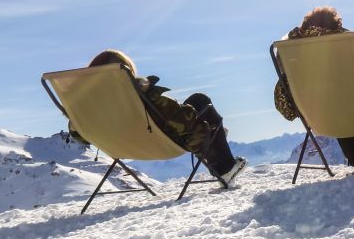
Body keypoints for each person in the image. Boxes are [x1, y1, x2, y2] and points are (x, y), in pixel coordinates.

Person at [73, 49, 247, 187]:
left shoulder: (88, 109)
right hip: (159, 144)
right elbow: (184, 120)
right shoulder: (137, 96)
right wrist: (151, 93)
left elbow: (78, 135)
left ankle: (219, 144)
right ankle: (224, 166)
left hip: (120, 148)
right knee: (200, 102)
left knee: (197, 114)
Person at [273, 6, 354, 174]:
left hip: (323, 121)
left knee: (334, 106)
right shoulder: (346, 46)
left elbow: (285, 108)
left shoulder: (292, 58)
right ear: (336, 26)